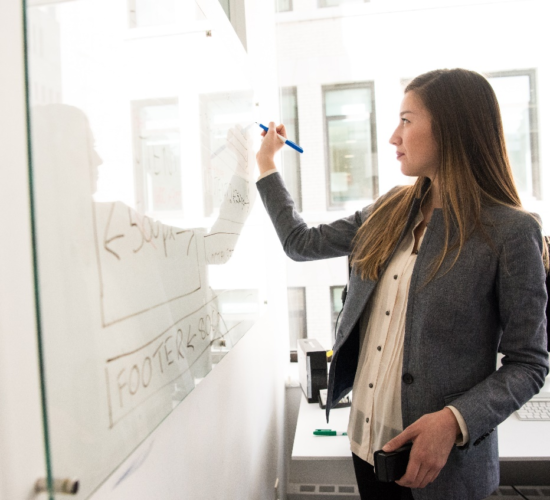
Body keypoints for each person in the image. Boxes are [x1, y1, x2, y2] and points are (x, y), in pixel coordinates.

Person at [255, 68, 549, 500]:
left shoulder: (510, 231)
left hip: (440, 468)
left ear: (452, 129)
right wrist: (266, 164)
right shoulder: (390, 208)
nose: (394, 136)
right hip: (366, 445)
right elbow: (301, 243)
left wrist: (453, 420)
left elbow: (529, 364)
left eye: (407, 120)